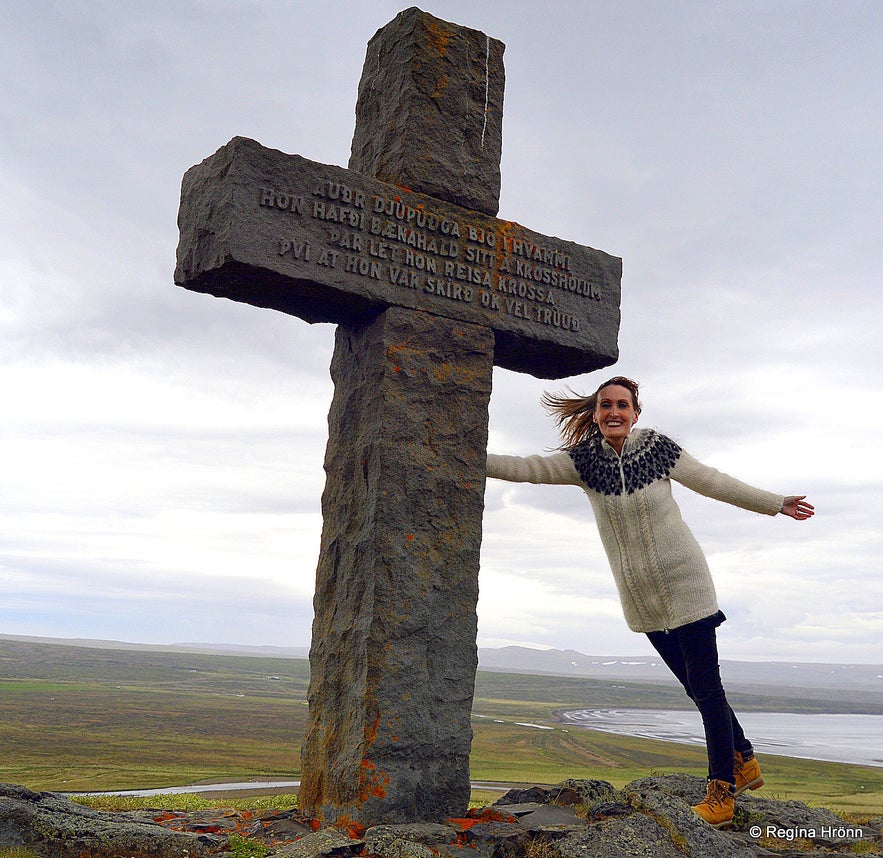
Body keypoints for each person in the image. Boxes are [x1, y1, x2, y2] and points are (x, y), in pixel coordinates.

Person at [485, 376, 814, 829]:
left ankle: (722, 791)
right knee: (696, 689)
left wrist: (775, 503)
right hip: (642, 598)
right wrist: (467, 454)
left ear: (636, 413)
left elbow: (713, 482)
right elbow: (526, 468)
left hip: (687, 584)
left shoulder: (658, 449)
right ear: (596, 414)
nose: (614, 412)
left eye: (623, 405)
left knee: (708, 687)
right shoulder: (583, 463)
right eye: (606, 406)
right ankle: (745, 758)